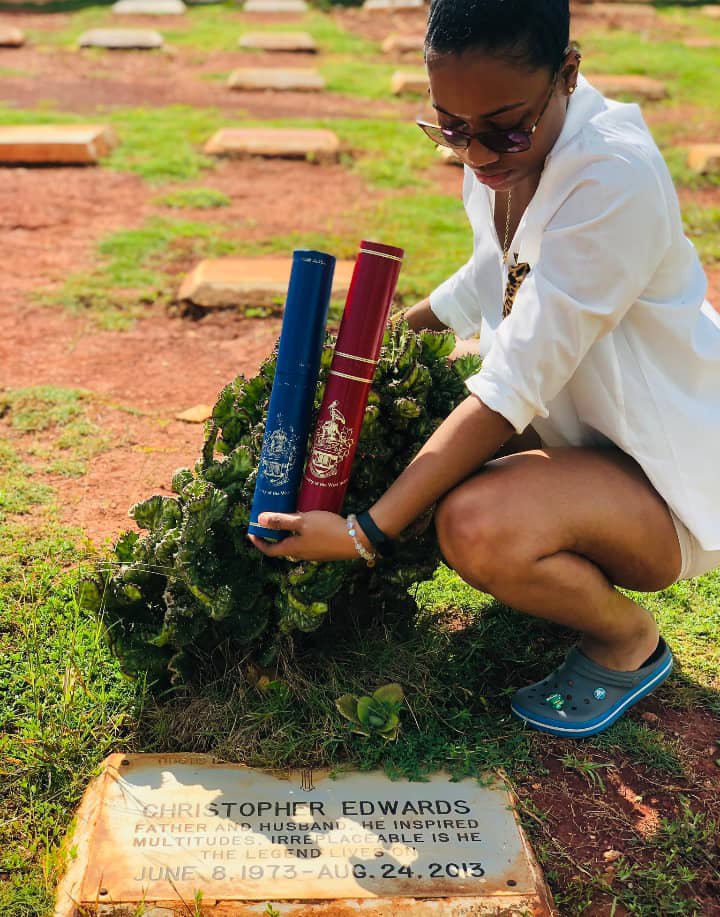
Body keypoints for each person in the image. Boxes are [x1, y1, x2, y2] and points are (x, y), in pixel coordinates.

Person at [250, 0, 720, 738]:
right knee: (420, 420)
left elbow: (513, 384)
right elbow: (486, 277)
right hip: (584, 436)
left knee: (474, 524)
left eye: (504, 126)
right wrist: (362, 357)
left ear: (569, 72)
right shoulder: (509, 149)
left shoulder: (611, 179)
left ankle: (628, 640)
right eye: (452, 128)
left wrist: (366, 532)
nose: (478, 154)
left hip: (669, 477)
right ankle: (554, 558)